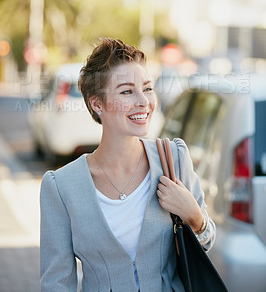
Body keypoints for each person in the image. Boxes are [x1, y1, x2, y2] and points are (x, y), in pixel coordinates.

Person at [40, 38, 216, 292]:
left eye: (147, 88)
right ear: (97, 104)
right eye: (126, 91)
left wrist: (195, 217)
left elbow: (206, 244)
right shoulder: (60, 188)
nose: (143, 101)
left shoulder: (173, 159)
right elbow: (56, 283)